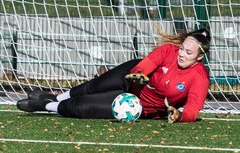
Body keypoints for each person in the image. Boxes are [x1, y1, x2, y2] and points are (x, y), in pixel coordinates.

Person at [17, 28, 211, 123]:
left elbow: (193, 110)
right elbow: (147, 64)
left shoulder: (199, 78)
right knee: (92, 87)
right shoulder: (169, 50)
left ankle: (43, 105)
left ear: (200, 57)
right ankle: (56, 97)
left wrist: (179, 115)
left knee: (82, 106)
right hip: (127, 77)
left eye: (189, 53)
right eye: (182, 49)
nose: (182, 54)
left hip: (136, 104)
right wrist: (139, 74)